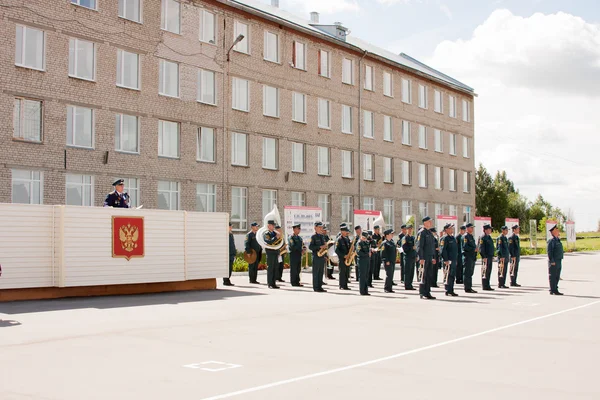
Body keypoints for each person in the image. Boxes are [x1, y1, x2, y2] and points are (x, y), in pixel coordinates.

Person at [418, 216, 436, 300]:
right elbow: (420, 246)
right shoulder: (422, 233)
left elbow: (432, 246)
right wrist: (421, 258)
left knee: (429, 275)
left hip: (429, 257)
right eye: (429, 221)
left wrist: (433, 256)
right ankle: (422, 292)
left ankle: (427, 292)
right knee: (423, 275)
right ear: (425, 222)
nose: (430, 223)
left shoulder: (429, 233)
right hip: (424, 258)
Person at [440, 223, 459, 296]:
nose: (452, 229)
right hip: (448, 260)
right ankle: (447, 289)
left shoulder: (453, 238)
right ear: (446, 230)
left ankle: (451, 289)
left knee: (452, 275)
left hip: (453, 259)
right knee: (448, 275)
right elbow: (443, 250)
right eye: (450, 228)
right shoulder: (444, 238)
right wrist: (445, 260)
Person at [309, 222, 327, 293]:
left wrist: (325, 255)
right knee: (316, 273)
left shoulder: (322, 236)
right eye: (319, 227)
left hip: (322, 256)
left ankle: (320, 286)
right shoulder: (313, 237)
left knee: (320, 272)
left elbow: (324, 247)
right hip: (316, 256)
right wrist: (319, 247)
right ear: (315, 228)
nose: (321, 229)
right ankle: (316, 287)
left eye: (321, 227)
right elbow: (310, 247)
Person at [263, 220, 281, 289]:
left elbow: (278, 242)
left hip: (275, 252)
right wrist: (276, 237)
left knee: (275, 268)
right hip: (270, 252)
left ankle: (274, 283)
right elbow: (268, 241)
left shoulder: (275, 233)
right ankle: (270, 283)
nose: (273, 226)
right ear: (268, 226)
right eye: (272, 225)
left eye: (274, 225)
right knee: (270, 268)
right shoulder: (267, 234)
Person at [547, 224, 564, 295]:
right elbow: (549, 251)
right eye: (556, 229)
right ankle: (552, 289)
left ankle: (555, 289)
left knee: (557, 275)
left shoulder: (557, 240)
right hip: (554, 261)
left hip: (559, 260)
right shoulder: (551, 241)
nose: (558, 230)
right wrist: (552, 261)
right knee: (553, 275)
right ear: (553, 231)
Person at [462, 223, 478, 293]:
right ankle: (467, 287)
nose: (472, 229)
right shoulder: (465, 236)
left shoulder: (471, 236)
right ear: (467, 228)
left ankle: (469, 286)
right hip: (467, 256)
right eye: (471, 228)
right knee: (467, 273)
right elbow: (465, 247)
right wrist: (473, 249)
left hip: (472, 256)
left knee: (470, 273)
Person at [479, 224, 495, 291]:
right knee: (485, 271)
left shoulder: (489, 237)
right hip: (486, 257)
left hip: (490, 256)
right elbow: (481, 248)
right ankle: (485, 285)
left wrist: (492, 255)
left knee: (488, 271)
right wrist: (484, 256)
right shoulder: (483, 237)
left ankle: (487, 284)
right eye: (489, 229)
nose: (490, 230)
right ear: (485, 230)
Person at [336, 224, 352, 290]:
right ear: (342, 231)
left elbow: (349, 248)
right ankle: (341, 285)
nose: (347, 232)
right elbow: (336, 250)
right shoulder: (339, 239)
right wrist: (343, 255)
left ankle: (345, 285)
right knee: (342, 272)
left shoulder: (347, 239)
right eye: (346, 231)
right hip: (342, 258)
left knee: (346, 272)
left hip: (347, 258)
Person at [401, 224, 417, 290]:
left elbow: (415, 248)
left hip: (412, 256)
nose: (410, 230)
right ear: (406, 230)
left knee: (412, 272)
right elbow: (404, 248)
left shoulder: (413, 238)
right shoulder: (405, 238)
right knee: (407, 271)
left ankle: (410, 284)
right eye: (409, 229)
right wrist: (411, 248)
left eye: (411, 229)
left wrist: (416, 255)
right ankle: (407, 285)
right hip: (407, 257)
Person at [382, 228, 396, 293]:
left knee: (391, 275)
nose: (392, 235)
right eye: (391, 234)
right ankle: (386, 288)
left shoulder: (391, 242)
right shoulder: (385, 243)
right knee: (389, 274)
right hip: (388, 261)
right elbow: (383, 253)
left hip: (392, 260)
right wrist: (386, 260)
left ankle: (390, 288)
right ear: (387, 235)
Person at [357, 231, 371, 296]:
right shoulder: (359, 243)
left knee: (366, 276)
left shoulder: (366, 243)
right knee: (362, 276)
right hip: (362, 261)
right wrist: (367, 254)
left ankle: (366, 290)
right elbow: (359, 252)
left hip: (367, 260)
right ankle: (362, 291)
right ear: (362, 237)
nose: (365, 239)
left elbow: (368, 250)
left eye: (366, 238)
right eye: (364, 237)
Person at [224, 222, 236, 286]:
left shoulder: (231, 234)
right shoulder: (225, 235)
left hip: (231, 253)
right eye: (230, 226)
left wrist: (234, 253)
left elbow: (232, 245)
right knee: (227, 268)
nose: (231, 227)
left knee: (230, 268)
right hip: (227, 254)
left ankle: (228, 279)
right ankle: (226, 280)